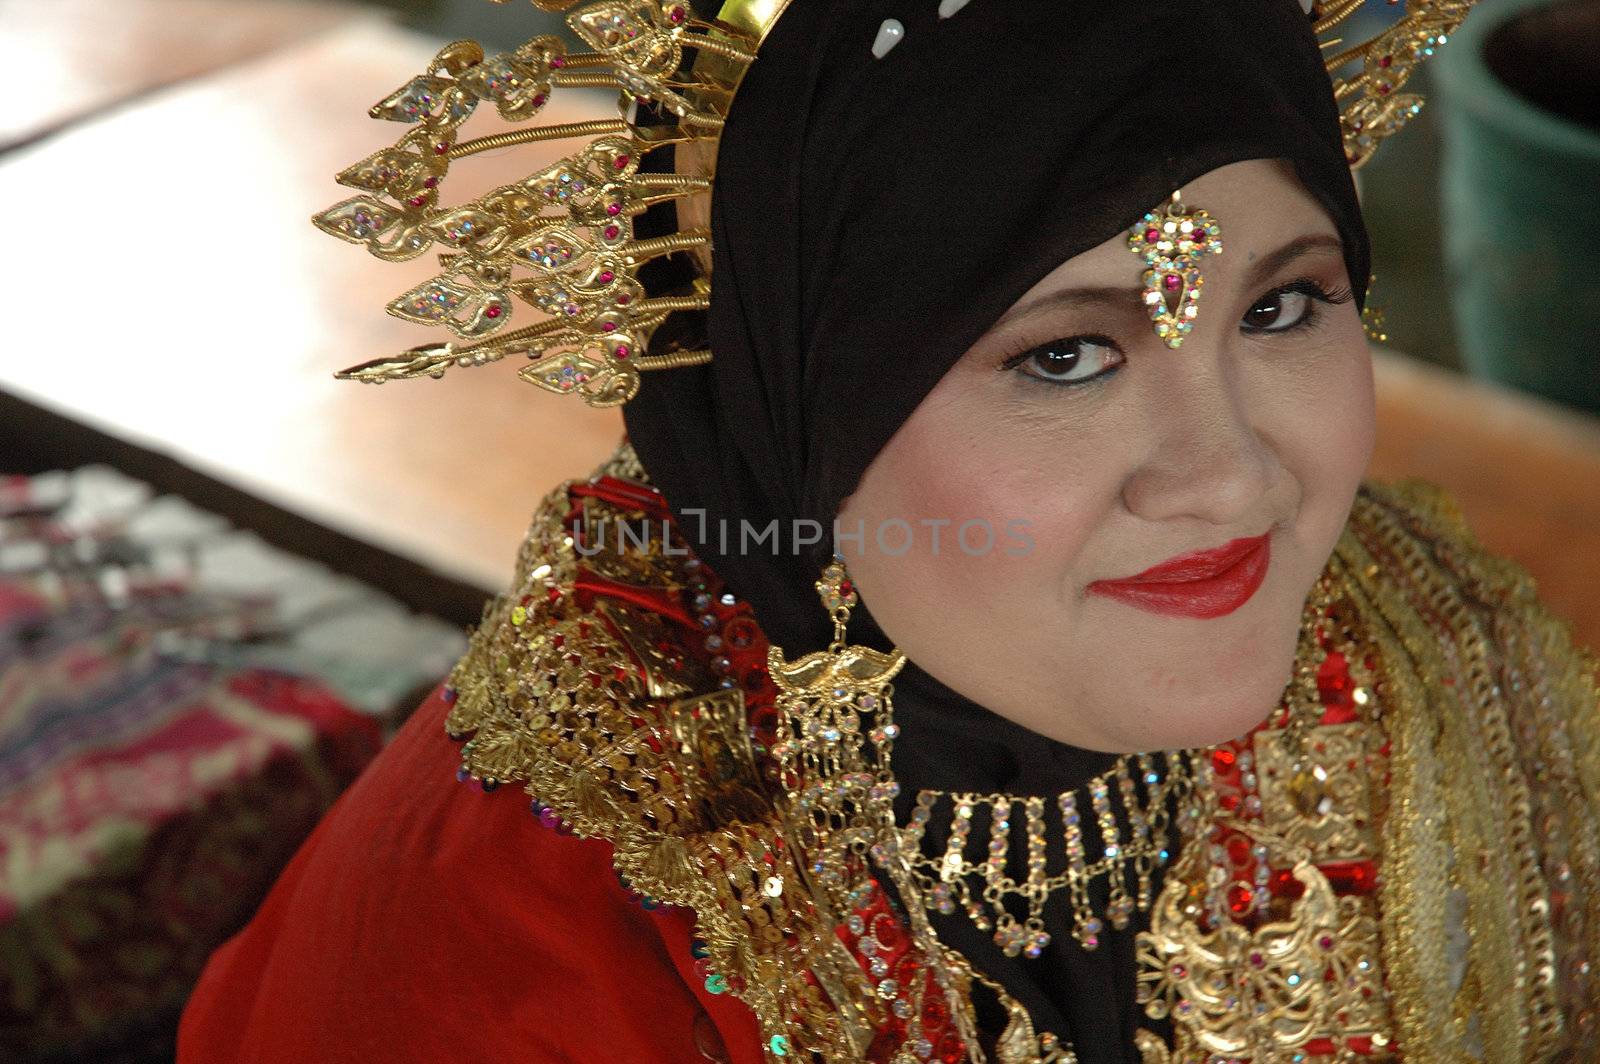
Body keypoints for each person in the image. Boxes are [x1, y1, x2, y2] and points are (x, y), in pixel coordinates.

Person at [178, 0, 1600, 1060]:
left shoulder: (1429, 660)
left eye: (1282, 306)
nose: (1230, 483)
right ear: (802, 400)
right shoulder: (503, 959)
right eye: (1066, 357)